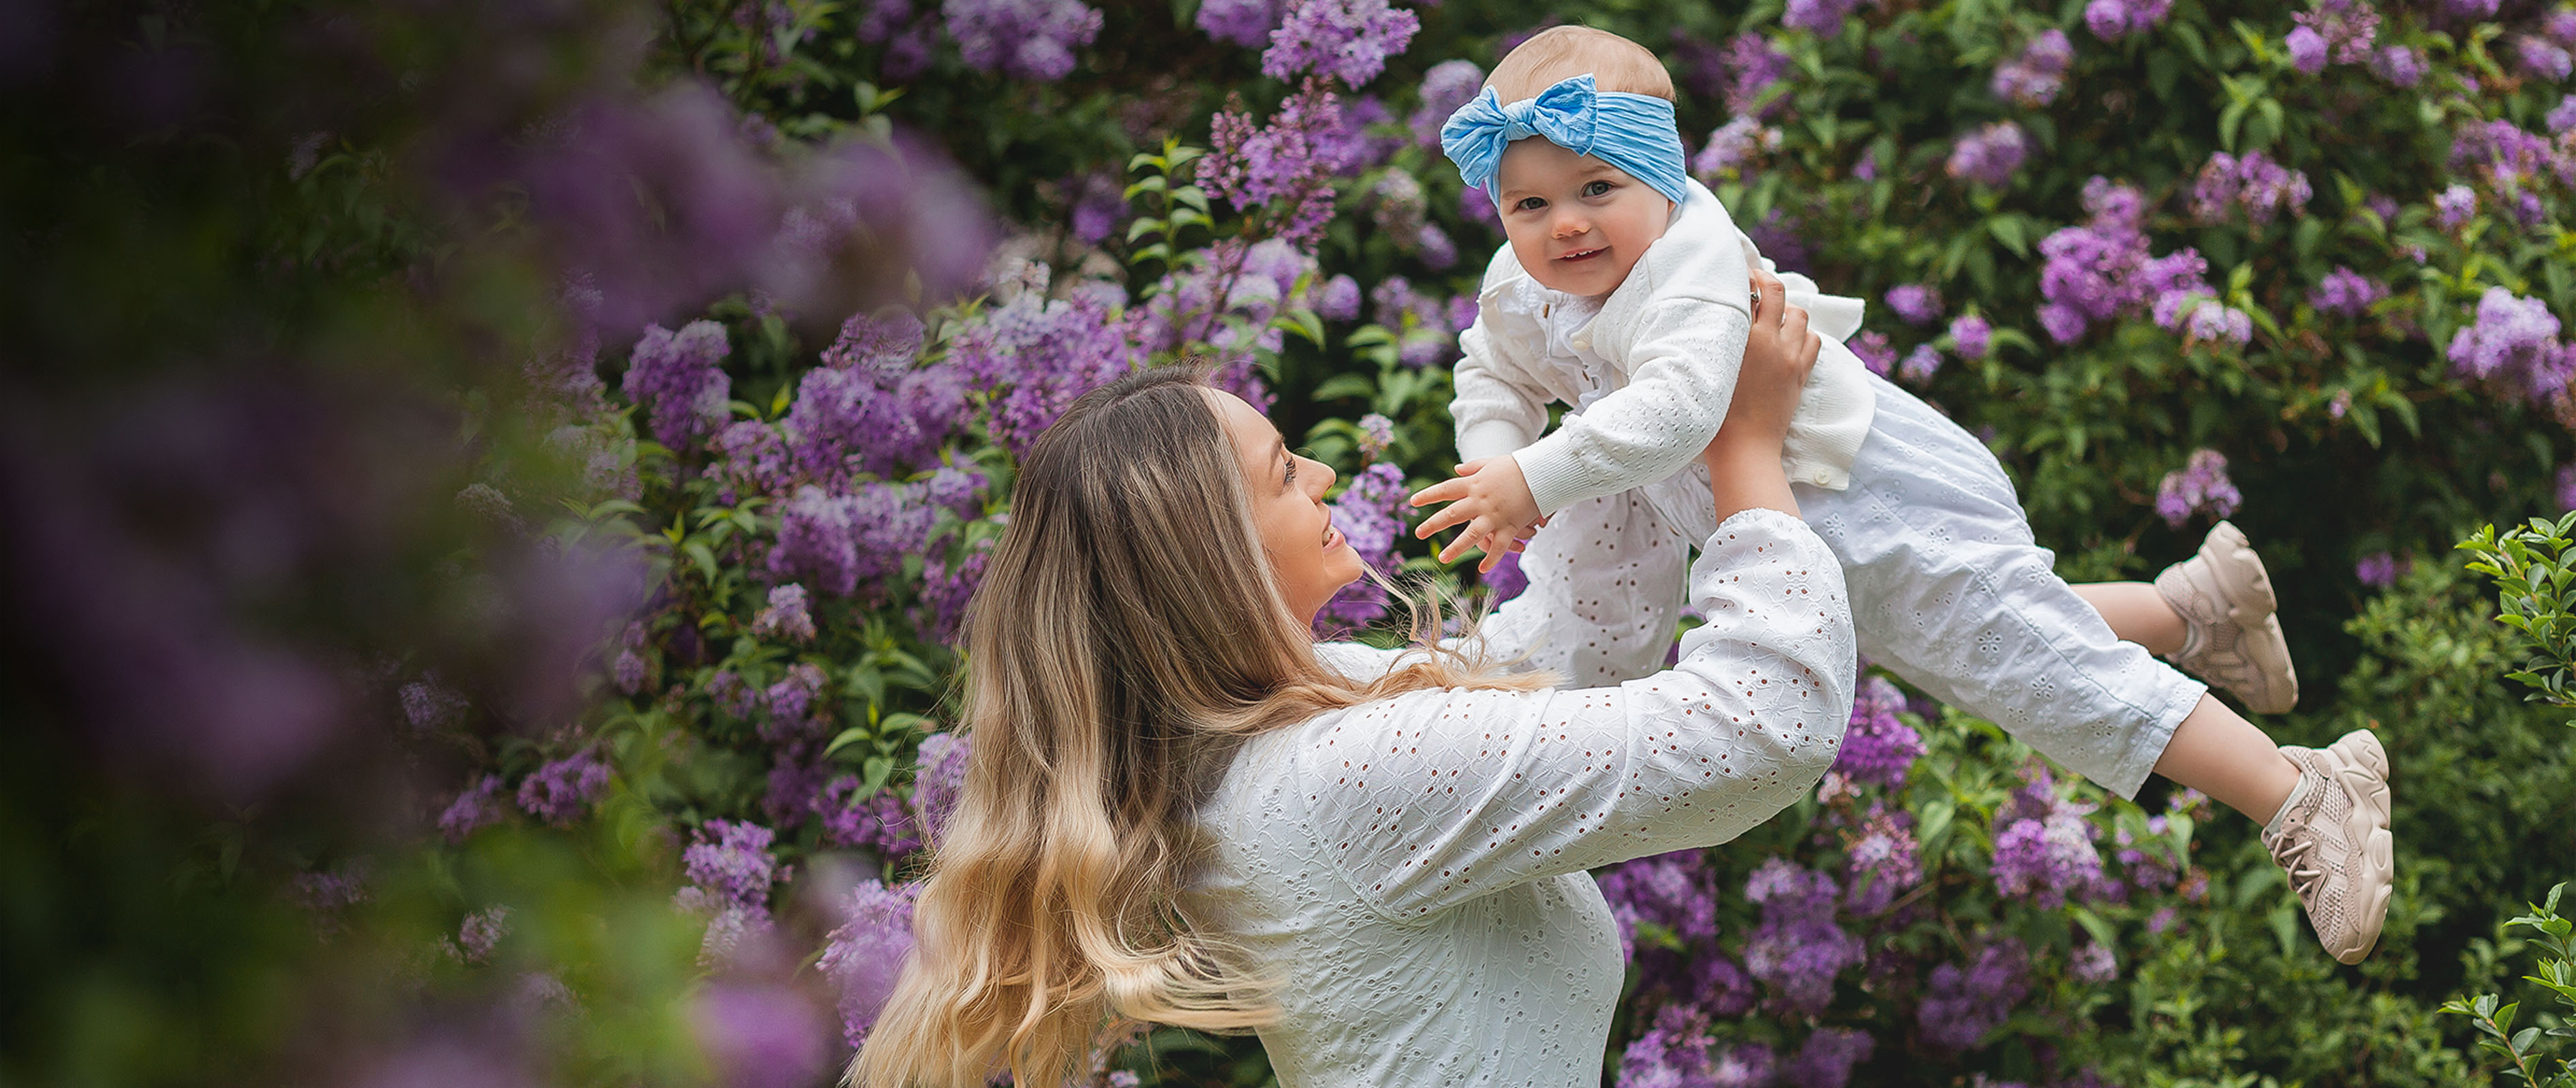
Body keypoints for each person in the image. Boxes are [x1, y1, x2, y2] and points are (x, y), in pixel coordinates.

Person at [1410, 25, 2391, 964]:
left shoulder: (1691, 268)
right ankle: (2191, 610)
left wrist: (1536, 475)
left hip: (1866, 486)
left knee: (2013, 648)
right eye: (1528, 206)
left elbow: (1677, 409)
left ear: (1663, 178)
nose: (1565, 224)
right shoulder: (1528, 281)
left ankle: (2298, 787)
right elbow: (1492, 369)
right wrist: (1496, 458)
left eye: (1595, 188)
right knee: (1954, 640)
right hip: (1778, 514)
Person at [850, 273, 1849, 1086]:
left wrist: (1605, 439)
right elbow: (1757, 729)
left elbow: (1561, 657)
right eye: (1284, 472)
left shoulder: (1287, 726)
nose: (1324, 477)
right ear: (1216, 556)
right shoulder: (1339, 775)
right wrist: (1744, 448)